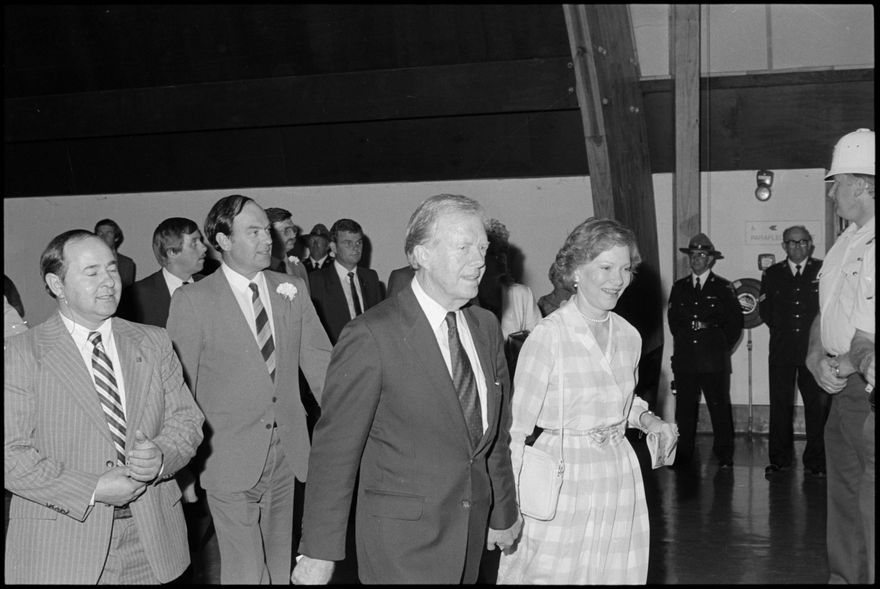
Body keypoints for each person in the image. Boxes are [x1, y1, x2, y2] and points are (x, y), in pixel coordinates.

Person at [293, 194, 521, 584]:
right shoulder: (371, 335)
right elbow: (334, 452)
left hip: (469, 533)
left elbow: (495, 437)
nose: (479, 260)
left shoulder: (484, 327)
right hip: (402, 545)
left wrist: (503, 511)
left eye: (482, 249)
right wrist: (319, 550)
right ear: (421, 255)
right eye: (464, 247)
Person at [4, 230, 204, 584]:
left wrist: (161, 456)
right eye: (92, 272)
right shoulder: (22, 354)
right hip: (62, 546)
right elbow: (10, 455)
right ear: (57, 284)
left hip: (153, 542)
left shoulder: (154, 341)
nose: (109, 281)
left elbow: (187, 420)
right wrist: (92, 488)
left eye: (112, 269)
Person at [496, 217, 677, 583]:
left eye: (625, 269)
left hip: (617, 473)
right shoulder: (549, 336)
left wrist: (649, 421)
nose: (618, 279)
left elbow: (619, 400)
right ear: (576, 271)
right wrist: (507, 506)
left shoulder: (629, 335)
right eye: (606, 267)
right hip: (563, 475)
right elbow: (515, 429)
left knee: (613, 573)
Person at [167, 195, 332, 584]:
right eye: (254, 232)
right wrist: (182, 466)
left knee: (278, 560)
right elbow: (178, 389)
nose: (267, 239)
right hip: (224, 456)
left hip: (287, 451)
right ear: (223, 240)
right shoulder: (193, 300)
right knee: (245, 569)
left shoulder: (291, 289)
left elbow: (323, 369)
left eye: (267, 230)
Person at [805, 128, 875, 584]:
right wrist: (815, 355)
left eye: (838, 184)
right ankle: (845, 577)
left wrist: (845, 365)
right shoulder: (845, 241)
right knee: (845, 495)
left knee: (869, 499)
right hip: (839, 383)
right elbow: (826, 311)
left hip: (864, 386)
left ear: (863, 185)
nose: (832, 194)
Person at [759, 225, 829, 478]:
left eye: (803, 242)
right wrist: (786, 331)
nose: (798, 246)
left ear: (810, 244)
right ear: (784, 246)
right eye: (792, 242)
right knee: (780, 405)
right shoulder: (773, 274)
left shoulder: (823, 269)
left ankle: (816, 461)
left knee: (816, 407)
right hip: (782, 349)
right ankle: (779, 460)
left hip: (814, 350)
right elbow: (766, 311)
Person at [668, 233, 743, 468]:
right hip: (686, 359)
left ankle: (724, 455)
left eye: (701, 255)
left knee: (719, 408)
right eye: (693, 255)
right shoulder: (679, 287)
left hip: (713, 359)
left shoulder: (723, 287)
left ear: (710, 259)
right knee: (684, 410)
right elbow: (674, 323)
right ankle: (683, 454)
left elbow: (734, 325)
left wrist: (719, 348)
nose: (696, 259)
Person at [118, 217, 207, 327]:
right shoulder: (135, 297)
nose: (204, 247)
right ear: (172, 252)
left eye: (200, 240)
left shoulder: (212, 286)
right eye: (194, 243)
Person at [308, 218, 383, 344]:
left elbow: (379, 319)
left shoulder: (371, 277)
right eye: (348, 243)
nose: (355, 248)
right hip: (335, 350)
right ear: (334, 247)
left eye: (358, 243)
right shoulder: (317, 280)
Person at [477, 218, 541, 340]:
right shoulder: (466, 299)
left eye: (503, 251)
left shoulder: (521, 294)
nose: (501, 257)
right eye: (493, 253)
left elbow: (538, 342)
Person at [265, 206, 311, 287]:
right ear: (269, 234)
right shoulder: (259, 268)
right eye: (286, 231)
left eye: (294, 230)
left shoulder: (299, 267)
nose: (293, 236)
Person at [95, 218, 136, 288]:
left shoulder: (127, 263)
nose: (104, 237)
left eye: (108, 233)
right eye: (100, 233)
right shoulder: (87, 260)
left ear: (116, 238)